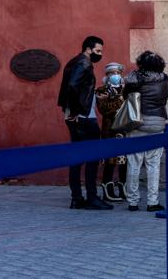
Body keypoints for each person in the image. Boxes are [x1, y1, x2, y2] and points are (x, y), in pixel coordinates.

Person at [57, 35, 112, 210]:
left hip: (74, 116)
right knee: (93, 157)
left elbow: (77, 88)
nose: (100, 54)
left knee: (77, 157)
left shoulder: (74, 61)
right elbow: (73, 86)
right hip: (83, 117)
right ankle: (92, 198)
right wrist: (75, 111)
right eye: (98, 50)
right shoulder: (84, 63)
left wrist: (94, 94)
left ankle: (76, 198)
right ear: (88, 49)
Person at [122, 50, 168, 212]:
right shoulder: (163, 79)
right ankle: (152, 201)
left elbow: (125, 96)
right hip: (157, 124)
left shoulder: (135, 77)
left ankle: (133, 202)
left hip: (137, 123)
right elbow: (163, 100)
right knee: (154, 164)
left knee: (134, 163)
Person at [96, 62, 128, 202]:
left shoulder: (125, 89)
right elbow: (104, 109)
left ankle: (123, 188)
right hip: (110, 130)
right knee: (111, 160)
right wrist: (120, 100)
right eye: (112, 73)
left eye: (118, 72)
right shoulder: (101, 90)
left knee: (124, 160)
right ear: (107, 75)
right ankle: (107, 188)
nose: (115, 75)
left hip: (125, 130)